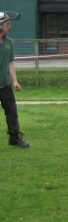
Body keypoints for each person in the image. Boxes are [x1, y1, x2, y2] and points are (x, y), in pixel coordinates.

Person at [0, 11, 30, 148]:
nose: (10, 26)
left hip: (4, 85)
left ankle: (14, 138)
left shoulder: (9, 42)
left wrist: (14, 81)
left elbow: (10, 63)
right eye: (7, 24)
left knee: (12, 111)